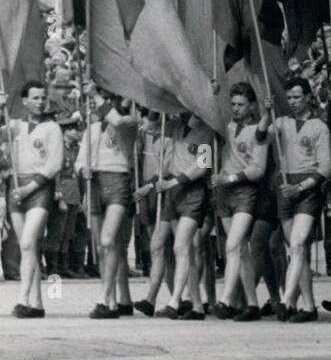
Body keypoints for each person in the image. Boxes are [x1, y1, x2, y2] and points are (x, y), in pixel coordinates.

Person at [257, 75, 331, 322]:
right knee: (298, 252)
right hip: (285, 186)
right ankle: (309, 306)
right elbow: (260, 137)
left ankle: (288, 301)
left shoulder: (319, 126)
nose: (292, 102)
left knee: (298, 245)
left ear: (309, 97)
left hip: (306, 189)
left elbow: (325, 169)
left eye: (297, 97)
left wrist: (300, 188)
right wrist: (267, 113)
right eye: (288, 97)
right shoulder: (281, 122)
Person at [134, 110, 215, 319]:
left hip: (193, 192)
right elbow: (151, 127)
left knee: (181, 247)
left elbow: (203, 166)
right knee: (180, 250)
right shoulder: (176, 125)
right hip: (173, 193)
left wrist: (173, 182)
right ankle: (196, 305)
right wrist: (159, 105)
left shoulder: (206, 130)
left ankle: (175, 300)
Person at [3, 80, 64, 318]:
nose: (40, 102)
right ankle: (37, 303)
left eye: (43, 98)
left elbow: (54, 164)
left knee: (28, 242)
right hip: (16, 186)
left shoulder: (52, 128)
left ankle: (23, 299)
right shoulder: (15, 126)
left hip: (38, 188)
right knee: (28, 248)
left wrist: (29, 189)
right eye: (35, 98)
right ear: (25, 100)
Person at [78, 89, 139, 319]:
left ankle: (105, 298)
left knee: (109, 240)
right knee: (103, 247)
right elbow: (80, 158)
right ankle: (113, 299)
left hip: (117, 180)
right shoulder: (92, 129)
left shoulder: (128, 123)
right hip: (95, 183)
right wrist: (82, 170)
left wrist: (95, 95)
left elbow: (116, 119)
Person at [212, 82, 268, 321]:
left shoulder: (258, 131)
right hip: (224, 193)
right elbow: (208, 114)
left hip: (244, 190)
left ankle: (225, 299)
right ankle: (252, 304)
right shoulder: (225, 125)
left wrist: (230, 177)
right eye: (233, 104)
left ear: (251, 106)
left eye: (241, 104)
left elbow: (258, 169)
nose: (235, 108)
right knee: (241, 250)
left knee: (233, 245)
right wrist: (213, 93)